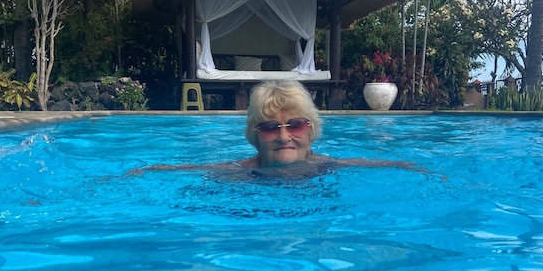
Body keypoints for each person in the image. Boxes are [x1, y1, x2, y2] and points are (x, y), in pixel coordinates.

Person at [131, 80, 418, 176]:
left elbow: (380, 164)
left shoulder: (330, 166)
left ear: (311, 130)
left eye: (296, 125)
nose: (284, 136)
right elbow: (198, 169)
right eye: (270, 128)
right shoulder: (241, 173)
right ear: (255, 138)